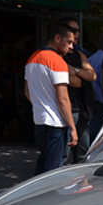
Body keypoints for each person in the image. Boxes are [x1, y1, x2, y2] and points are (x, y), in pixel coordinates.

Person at [25, 23, 77, 175]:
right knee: (51, 172)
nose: (71, 47)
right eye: (69, 42)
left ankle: (33, 197)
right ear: (57, 38)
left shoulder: (32, 59)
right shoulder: (58, 62)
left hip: (40, 121)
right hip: (56, 123)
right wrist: (73, 128)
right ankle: (47, 198)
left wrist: (40, 106)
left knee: (42, 167)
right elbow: (63, 99)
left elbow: (28, 92)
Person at [58, 17, 96, 163]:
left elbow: (92, 76)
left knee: (82, 152)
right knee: (63, 154)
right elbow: (74, 82)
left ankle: (81, 183)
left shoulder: (79, 55)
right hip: (68, 109)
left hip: (83, 109)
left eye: (78, 30)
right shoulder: (58, 56)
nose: (77, 34)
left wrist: (75, 69)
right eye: (74, 30)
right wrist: (82, 75)